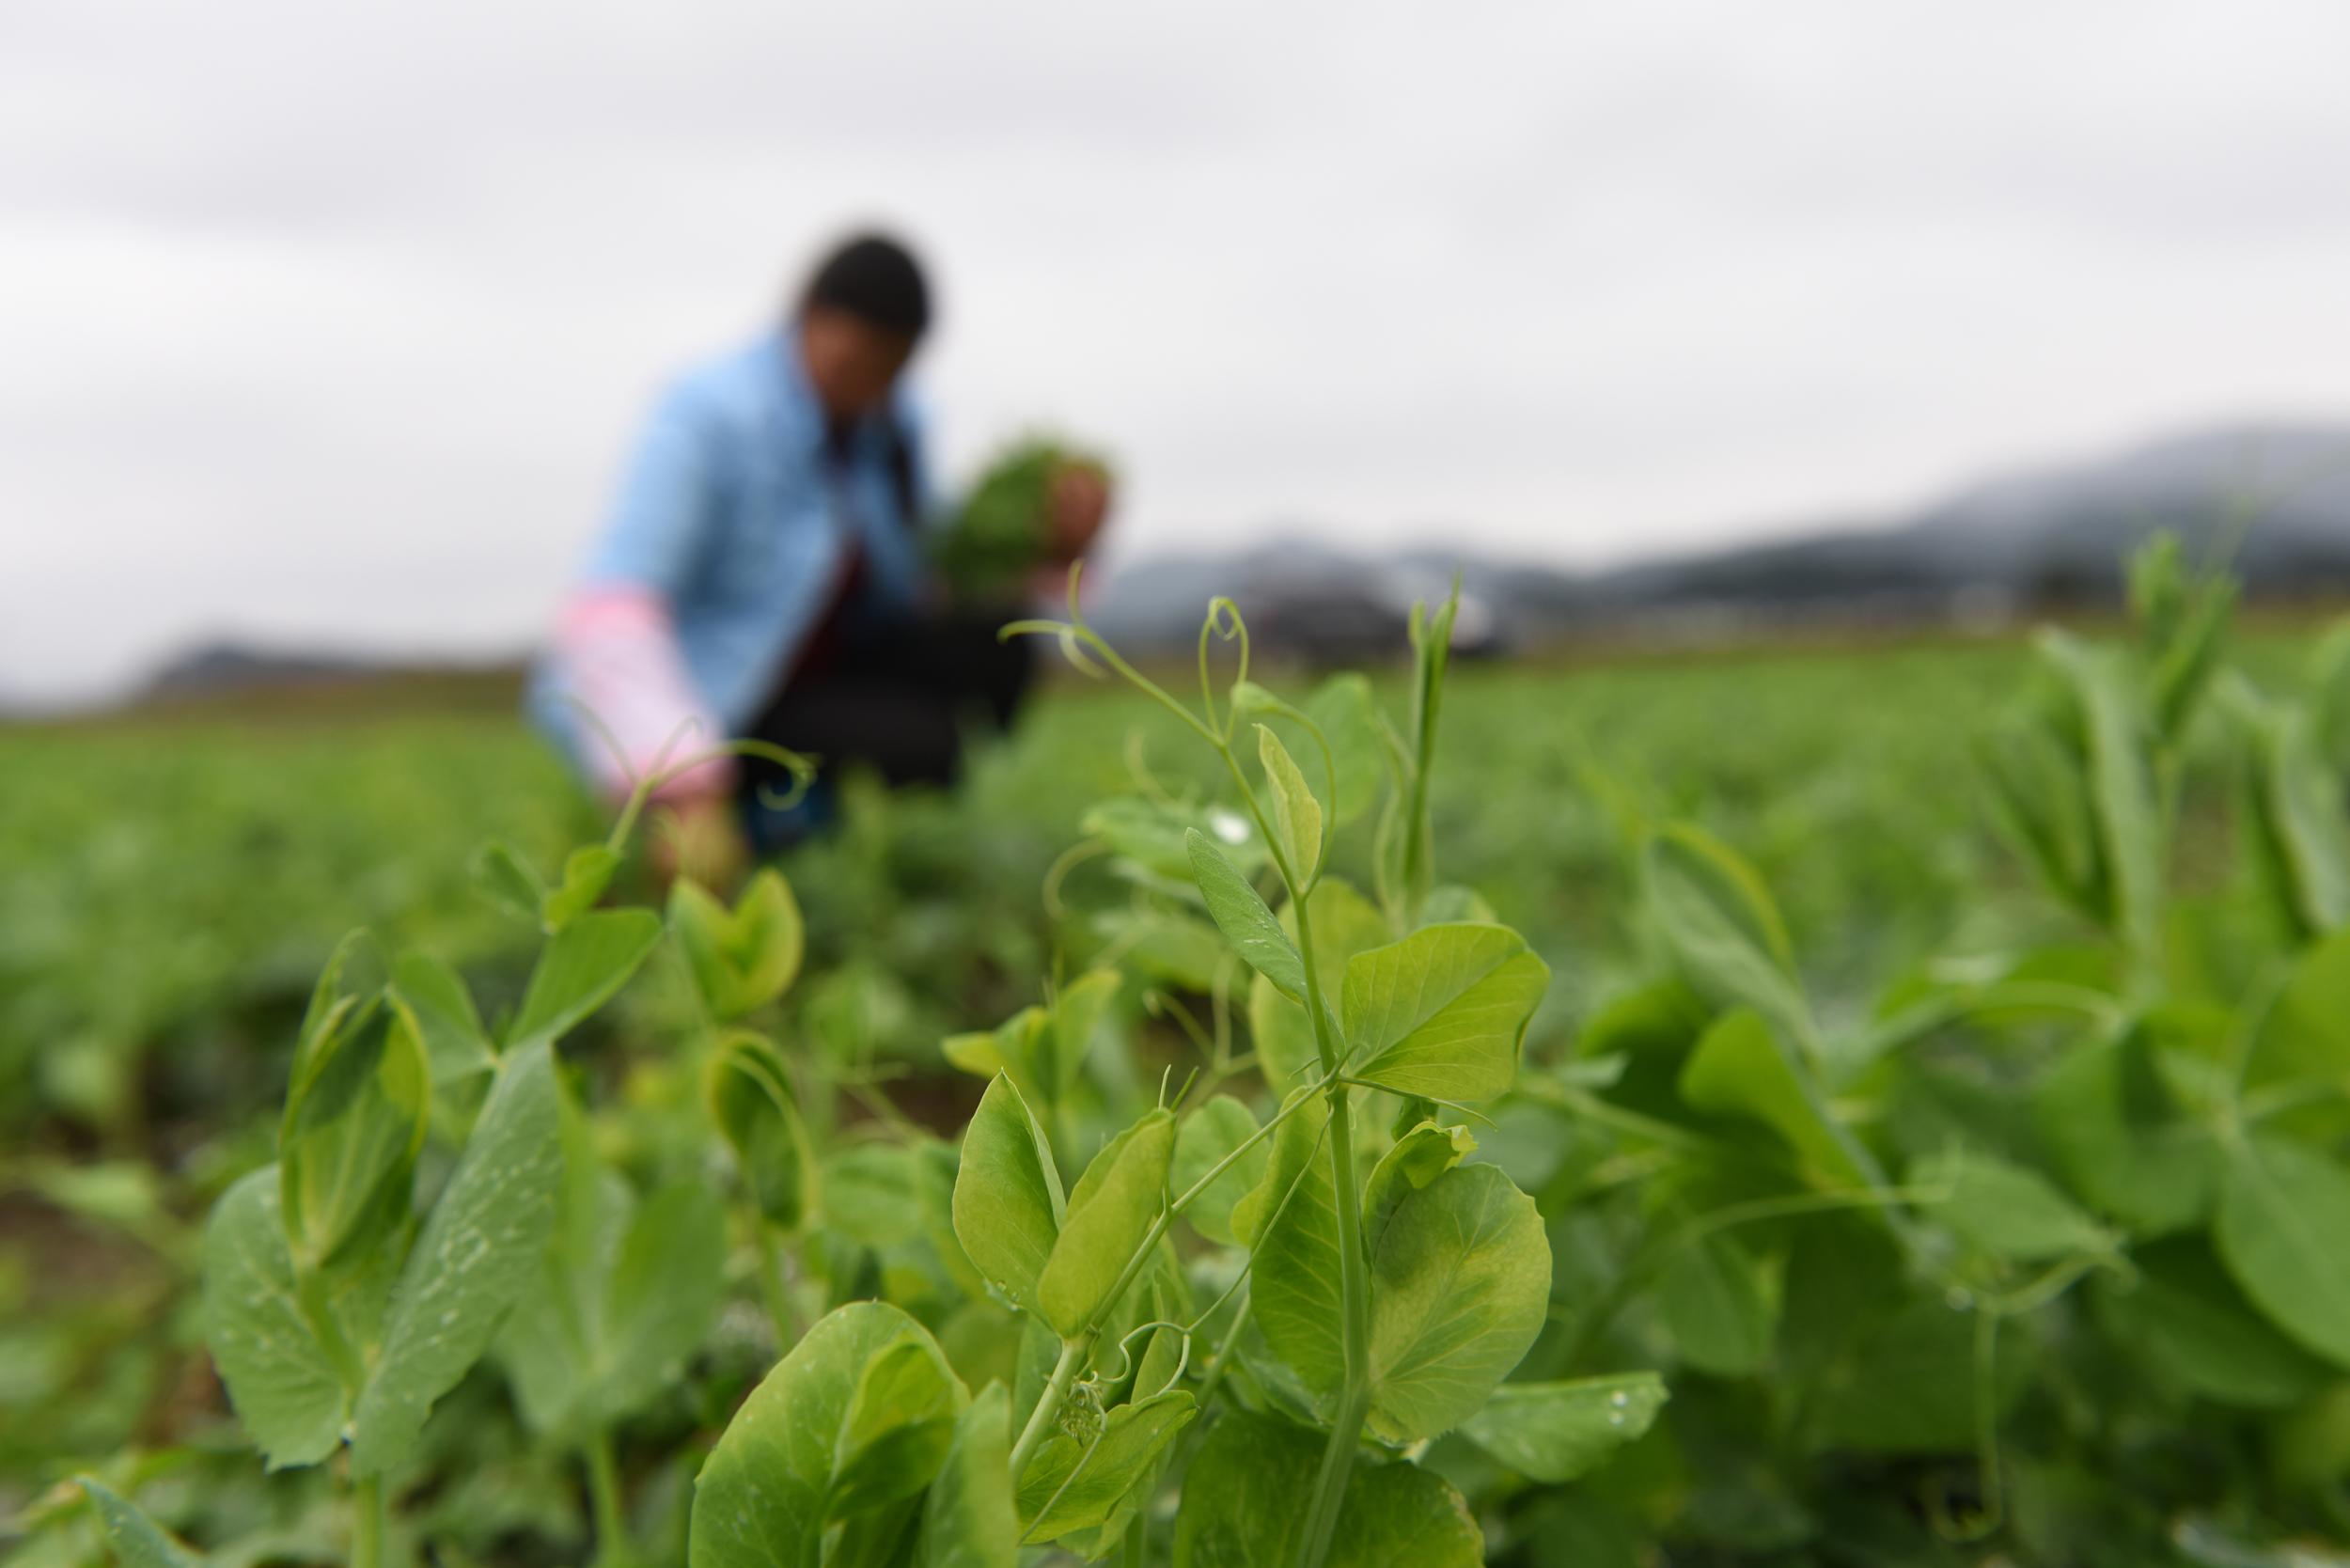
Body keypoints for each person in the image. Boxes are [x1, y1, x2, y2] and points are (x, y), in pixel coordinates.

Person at [528, 233, 1110, 884]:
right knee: (913, 745)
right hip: (719, 699)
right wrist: (682, 779)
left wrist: (1051, 546)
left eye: (889, 370)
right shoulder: (708, 413)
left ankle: (836, 852)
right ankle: (750, 840)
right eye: (854, 363)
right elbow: (614, 603)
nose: (867, 388)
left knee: (998, 644)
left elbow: (928, 586)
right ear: (806, 318)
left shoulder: (889, 426)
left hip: (823, 678)